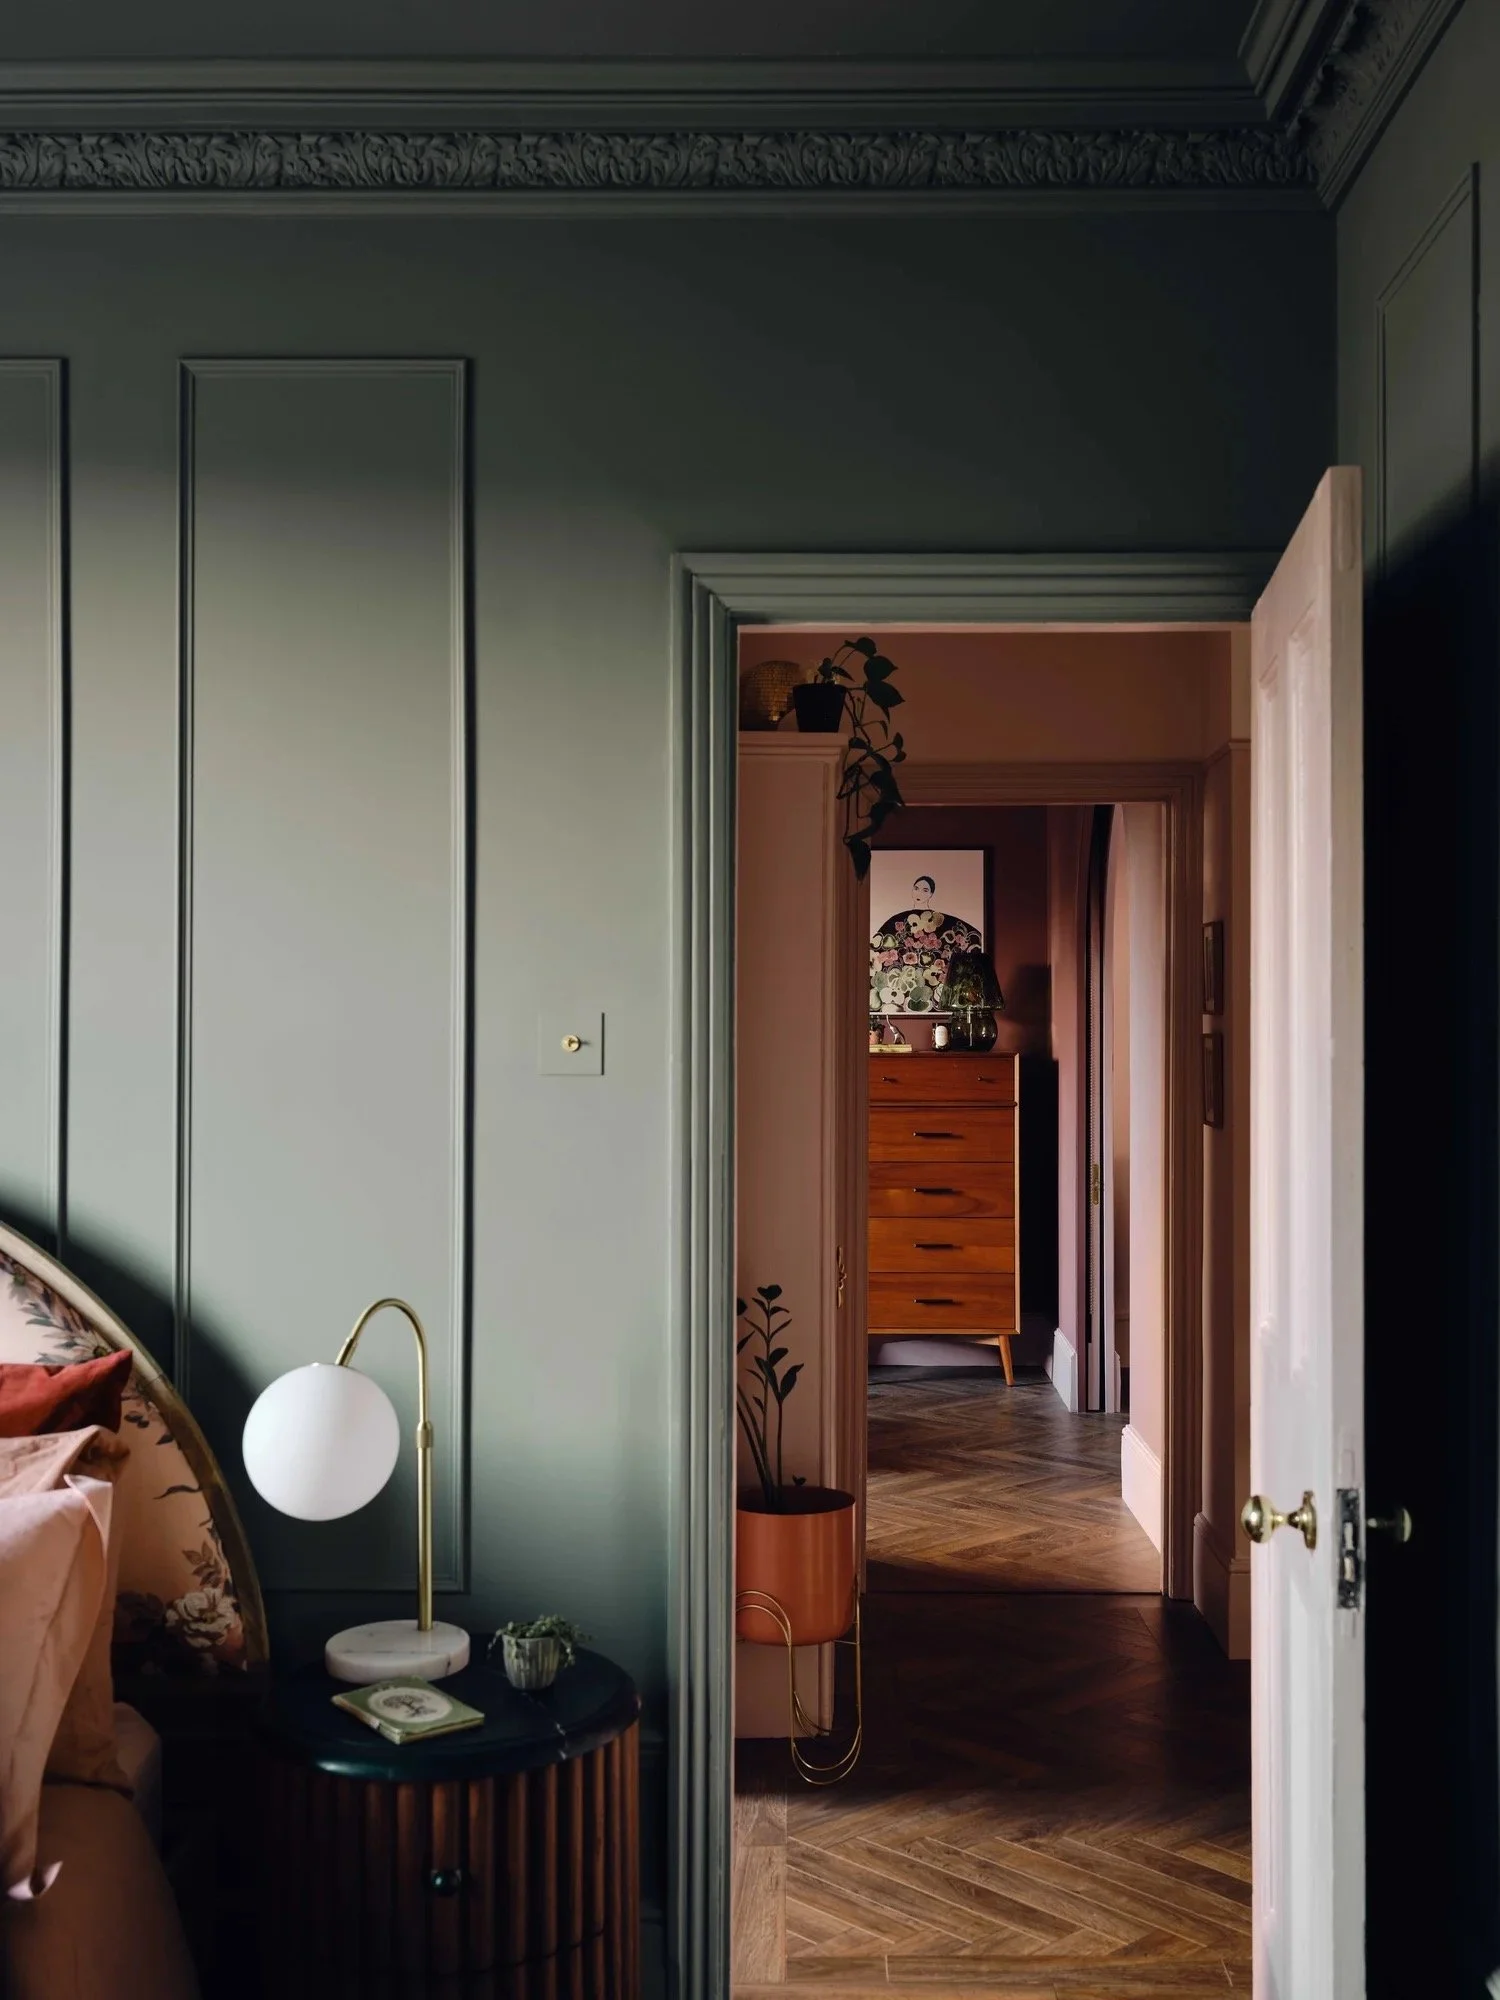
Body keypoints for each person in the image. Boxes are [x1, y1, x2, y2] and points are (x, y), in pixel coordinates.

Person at [869, 874, 983, 1014]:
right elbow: (876, 950)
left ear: (931, 894)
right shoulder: (897, 921)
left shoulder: (940, 920)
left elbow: (972, 937)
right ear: (912, 890)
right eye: (916, 888)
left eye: (925, 890)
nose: (919, 893)